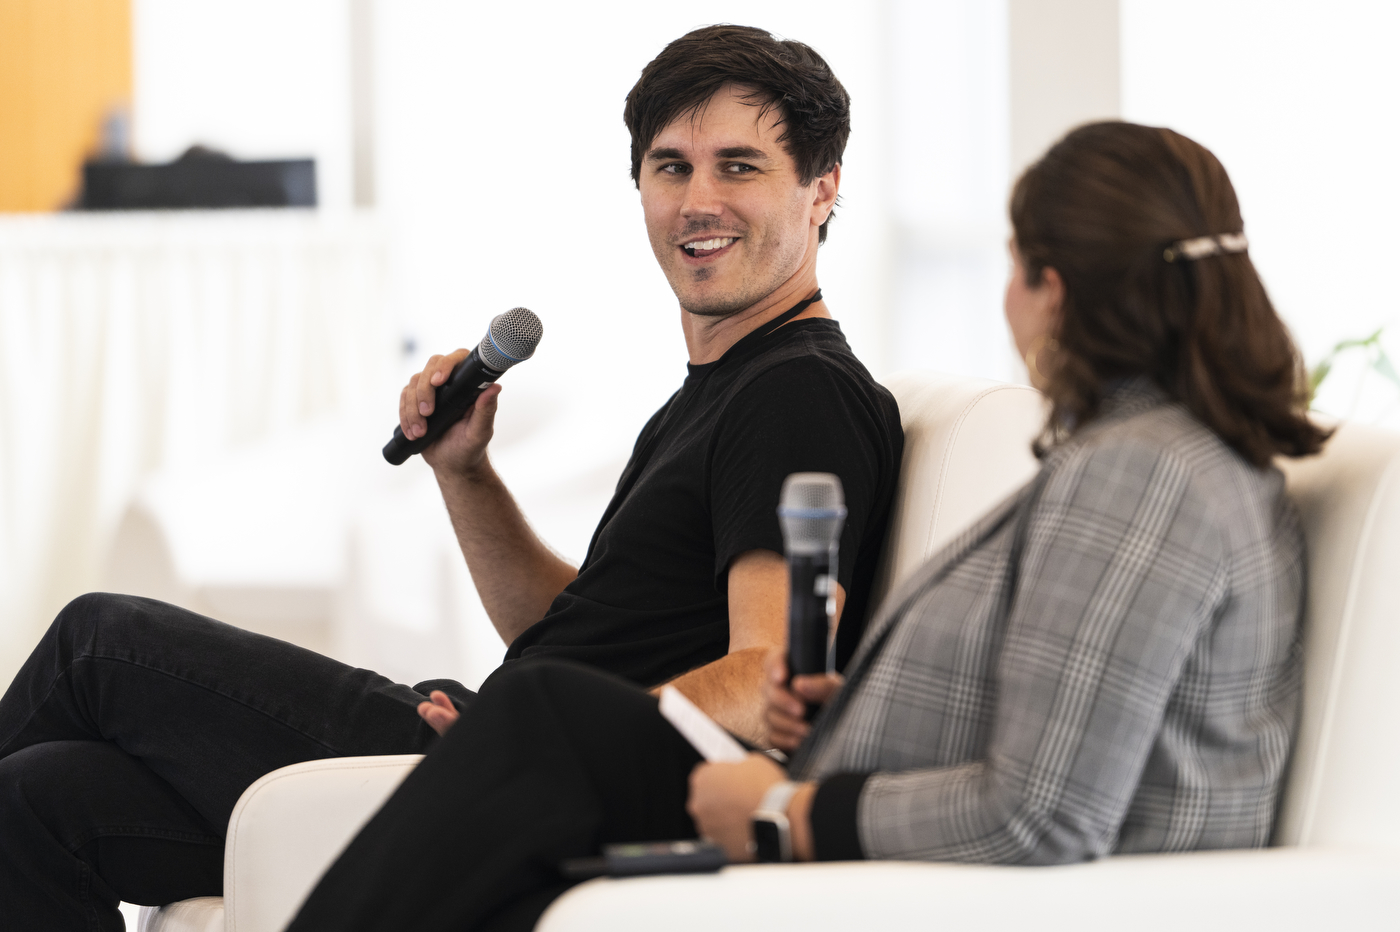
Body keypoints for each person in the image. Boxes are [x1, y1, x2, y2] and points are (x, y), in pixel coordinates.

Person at [282, 120, 1331, 932]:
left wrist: (791, 810)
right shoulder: (1148, 460)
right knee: (518, 816)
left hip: (876, 866)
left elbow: (1043, 810)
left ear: (1048, 286)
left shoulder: (1143, 479)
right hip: (843, 824)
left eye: (1011, 267)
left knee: (551, 717)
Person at [0, 25, 903, 930]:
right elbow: (564, 631)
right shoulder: (714, 393)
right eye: (671, 168)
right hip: (501, 748)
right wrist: (464, 472)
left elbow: (766, 676)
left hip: (514, 781)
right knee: (40, 798)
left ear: (821, 188)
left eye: (738, 167)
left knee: (100, 642)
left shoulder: (798, 392)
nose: (698, 200)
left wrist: (535, 738)